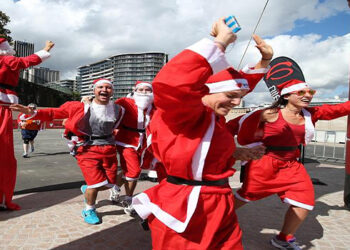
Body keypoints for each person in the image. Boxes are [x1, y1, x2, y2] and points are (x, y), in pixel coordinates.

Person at [132, 17, 272, 249]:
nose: (237, 102)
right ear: (207, 91)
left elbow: (233, 86)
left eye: (239, 97)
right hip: (188, 207)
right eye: (230, 97)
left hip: (220, 203)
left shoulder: (214, 118)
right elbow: (171, 85)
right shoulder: (180, 114)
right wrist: (219, 43)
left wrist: (237, 152)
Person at [229, 75, 350, 249]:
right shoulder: (268, 114)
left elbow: (338, 109)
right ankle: (213, 220)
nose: (307, 95)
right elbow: (235, 124)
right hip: (264, 164)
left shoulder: (311, 114)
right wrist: (223, 145)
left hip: (291, 165)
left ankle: (283, 238)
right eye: (301, 92)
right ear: (286, 96)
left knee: (306, 200)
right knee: (245, 196)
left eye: (310, 92)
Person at [10, 78, 124, 224]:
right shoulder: (79, 107)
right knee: (94, 185)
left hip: (109, 147)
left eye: (108, 87)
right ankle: (89, 209)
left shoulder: (118, 109)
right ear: (94, 90)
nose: (104, 90)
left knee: (109, 183)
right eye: (100, 87)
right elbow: (53, 113)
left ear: (112, 91)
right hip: (87, 148)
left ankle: (87, 188)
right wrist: (32, 112)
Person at [0, 37, 54, 210]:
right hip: (2, 107)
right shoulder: (5, 57)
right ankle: (3, 198)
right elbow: (23, 62)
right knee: (4, 154)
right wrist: (45, 50)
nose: (11, 47)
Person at [110, 80, 155, 216]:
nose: (144, 92)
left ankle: (116, 188)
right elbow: (107, 110)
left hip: (144, 142)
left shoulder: (154, 105)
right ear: (135, 90)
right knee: (134, 172)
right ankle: (129, 200)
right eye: (141, 90)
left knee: (129, 171)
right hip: (126, 141)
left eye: (147, 90)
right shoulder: (124, 102)